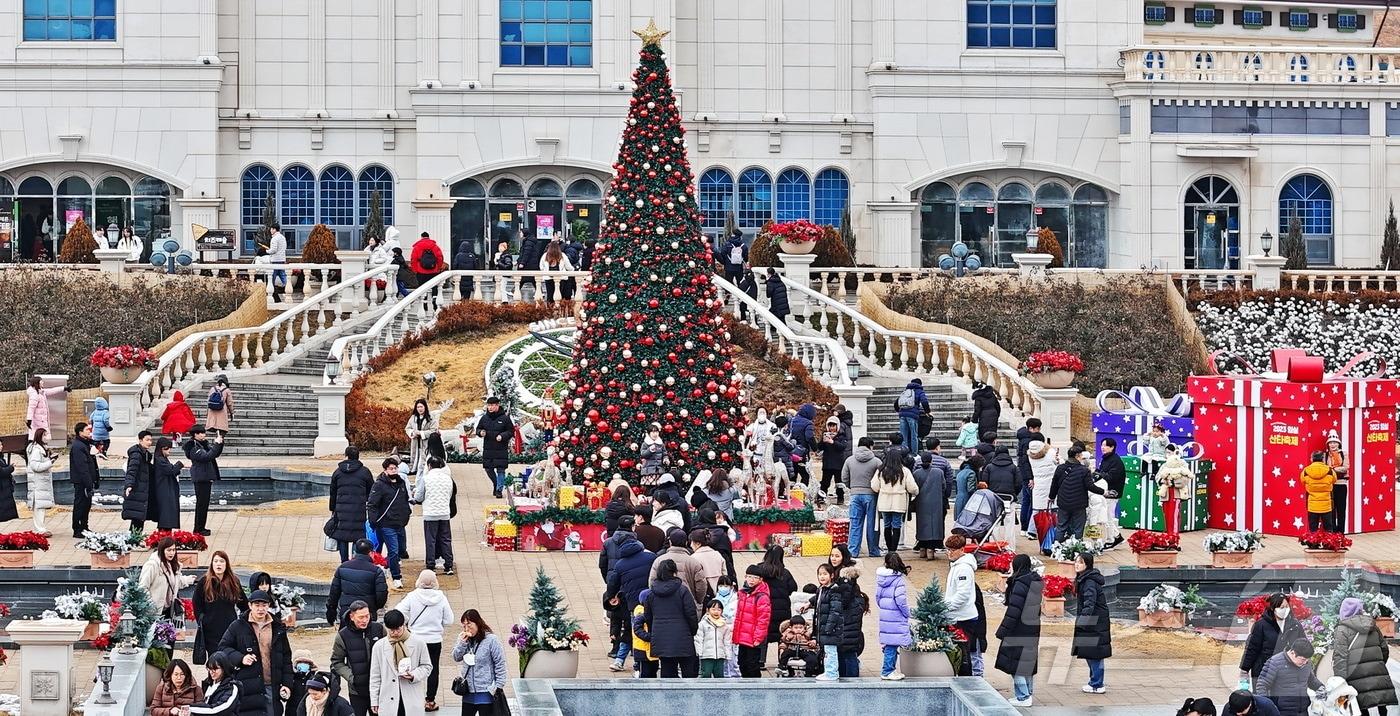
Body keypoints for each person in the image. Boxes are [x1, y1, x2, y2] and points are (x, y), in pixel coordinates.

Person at [218, 589, 293, 716]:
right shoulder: (238, 626)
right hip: (247, 685)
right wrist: (241, 658)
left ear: (268, 606)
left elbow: (286, 657)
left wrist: (287, 683)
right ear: (250, 606)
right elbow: (223, 648)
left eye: (264, 605)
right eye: (257, 605)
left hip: (272, 685)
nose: (260, 609)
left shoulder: (277, 627)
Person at [392, 571, 456, 712]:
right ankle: (430, 701)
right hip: (434, 640)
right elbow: (449, 620)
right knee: (433, 670)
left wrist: (408, 622)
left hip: (415, 640)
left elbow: (398, 611)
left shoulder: (413, 596)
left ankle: (413, 699)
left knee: (414, 670)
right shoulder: (441, 598)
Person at [603, 520, 657, 672]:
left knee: (634, 630)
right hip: (652, 600)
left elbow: (612, 584)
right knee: (651, 628)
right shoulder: (651, 557)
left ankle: (636, 663)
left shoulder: (620, 564)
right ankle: (647, 661)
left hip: (633, 604)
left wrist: (612, 596)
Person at [1330, 597, 1397, 715]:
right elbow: (1384, 649)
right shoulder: (1372, 625)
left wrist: (1340, 678)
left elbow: (1340, 656)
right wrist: (1378, 664)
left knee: (1361, 706)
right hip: (1376, 671)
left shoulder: (1342, 630)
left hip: (1355, 675)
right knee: (1381, 703)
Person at [996, 553, 1044, 706]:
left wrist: (1002, 630)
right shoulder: (1034, 581)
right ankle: (1027, 694)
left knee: (1015, 665)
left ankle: (1023, 696)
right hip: (1032, 628)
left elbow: (1014, 610)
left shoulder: (1019, 583)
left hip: (1018, 630)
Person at [644, 559, 701, 678]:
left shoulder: (651, 594)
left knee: (667, 673)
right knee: (688, 673)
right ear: (674, 572)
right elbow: (691, 613)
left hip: (661, 638)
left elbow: (648, 617)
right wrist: (693, 631)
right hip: (683, 638)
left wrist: (653, 633)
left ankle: (669, 697)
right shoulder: (682, 590)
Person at [330, 602, 386, 716]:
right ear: (352, 616)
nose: (365, 620)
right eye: (361, 617)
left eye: (367, 616)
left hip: (379, 687)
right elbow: (337, 661)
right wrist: (351, 677)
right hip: (356, 690)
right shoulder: (343, 635)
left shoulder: (379, 629)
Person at [194, 551, 248, 664]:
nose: (218, 564)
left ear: (226, 564)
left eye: (222, 561)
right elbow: (197, 604)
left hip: (229, 627)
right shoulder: (204, 582)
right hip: (211, 629)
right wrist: (203, 620)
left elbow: (244, 604)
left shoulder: (234, 581)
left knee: (229, 659)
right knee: (215, 661)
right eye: (216, 561)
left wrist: (243, 621)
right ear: (212, 564)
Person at [1240, 593, 1307, 685]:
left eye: (1286, 606)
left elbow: (1304, 645)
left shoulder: (1295, 625)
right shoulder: (1261, 625)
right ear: (1272, 608)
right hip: (1265, 670)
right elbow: (1252, 648)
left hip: (1289, 670)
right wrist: (1244, 669)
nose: (1284, 610)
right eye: (1281, 607)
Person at [366, 459, 412, 589]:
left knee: (400, 549)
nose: (394, 470)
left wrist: (406, 514)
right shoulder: (379, 485)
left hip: (400, 522)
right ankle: (396, 577)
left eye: (395, 468)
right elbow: (372, 504)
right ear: (385, 470)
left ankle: (385, 567)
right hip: (386, 523)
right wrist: (373, 521)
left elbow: (404, 500)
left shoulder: (401, 483)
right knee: (393, 550)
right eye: (391, 468)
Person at [451, 610, 507, 715]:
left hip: (486, 691)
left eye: (469, 624)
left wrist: (498, 686)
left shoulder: (491, 640)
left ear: (477, 623)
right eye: (464, 626)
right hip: (468, 691)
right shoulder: (464, 639)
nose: (467, 629)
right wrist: (462, 643)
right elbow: (456, 657)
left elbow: (500, 663)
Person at [1072, 552, 1111, 694]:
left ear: (1087, 565)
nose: (1077, 564)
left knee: (1094, 654)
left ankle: (1097, 684)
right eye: (1076, 561)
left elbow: (1090, 603)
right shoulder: (1085, 579)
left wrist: (1083, 621)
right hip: (1094, 621)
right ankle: (1095, 682)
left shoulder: (1089, 582)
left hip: (1095, 622)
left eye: (1080, 562)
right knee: (1091, 653)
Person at [328, 539, 390, 627]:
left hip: (347, 612)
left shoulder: (342, 567)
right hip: (367, 612)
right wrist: (374, 607)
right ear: (371, 553)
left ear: (355, 551)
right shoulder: (376, 571)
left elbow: (334, 593)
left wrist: (331, 611)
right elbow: (382, 595)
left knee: (346, 637)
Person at [329, 448, 375, 563]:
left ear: (346, 456)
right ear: (358, 456)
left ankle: (344, 562)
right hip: (358, 510)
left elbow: (333, 493)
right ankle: (356, 561)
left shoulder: (338, 472)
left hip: (341, 510)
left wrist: (332, 509)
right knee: (357, 536)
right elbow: (371, 491)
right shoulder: (365, 472)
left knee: (342, 537)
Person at [872, 446, 920, 555]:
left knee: (887, 525)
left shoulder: (881, 470)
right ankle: (894, 549)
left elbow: (874, 486)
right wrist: (915, 493)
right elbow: (912, 487)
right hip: (899, 501)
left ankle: (889, 549)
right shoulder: (904, 471)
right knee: (897, 525)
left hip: (884, 500)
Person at [1049, 445, 1103, 542]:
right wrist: (1103, 492)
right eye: (1081, 456)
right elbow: (1090, 486)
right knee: (1078, 528)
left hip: (1063, 503)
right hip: (1079, 504)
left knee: (1061, 526)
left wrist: (1051, 497)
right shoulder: (1084, 470)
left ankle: (1056, 547)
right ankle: (1077, 548)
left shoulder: (1060, 468)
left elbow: (1054, 485)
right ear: (1077, 456)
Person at [413, 456, 457, 575]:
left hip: (430, 513)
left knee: (430, 540)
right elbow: (450, 494)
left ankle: (431, 564)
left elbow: (419, 497)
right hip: (444, 513)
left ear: (429, 466)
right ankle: (448, 565)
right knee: (446, 539)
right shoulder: (448, 479)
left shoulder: (426, 479)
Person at [1257, 638, 1322, 716]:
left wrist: (1321, 688)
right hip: (1282, 710)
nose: (1305, 662)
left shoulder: (1306, 663)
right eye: (1303, 659)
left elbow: (1311, 680)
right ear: (1293, 653)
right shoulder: (1274, 662)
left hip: (1303, 710)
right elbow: (1262, 684)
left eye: (1307, 660)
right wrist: (1267, 706)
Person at [841, 436, 883, 558]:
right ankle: (874, 550)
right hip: (871, 496)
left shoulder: (849, 460)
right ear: (870, 446)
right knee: (872, 524)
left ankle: (853, 551)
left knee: (855, 523)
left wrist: (852, 487)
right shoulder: (876, 461)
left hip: (854, 495)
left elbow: (844, 478)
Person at [757, 545, 799, 665]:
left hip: (764, 609)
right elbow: (793, 588)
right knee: (782, 636)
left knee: (763, 634)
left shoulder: (760, 570)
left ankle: (761, 660)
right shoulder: (785, 573)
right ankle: (782, 660)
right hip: (782, 610)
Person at [650, 529, 708, 614]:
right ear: (686, 542)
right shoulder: (693, 562)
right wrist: (698, 601)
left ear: (670, 542)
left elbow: (652, 583)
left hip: (663, 605)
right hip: (689, 605)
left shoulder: (659, 560)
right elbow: (701, 586)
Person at [875, 553, 912, 680]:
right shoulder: (898, 580)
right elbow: (901, 600)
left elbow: (877, 598)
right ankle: (888, 670)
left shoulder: (881, 579)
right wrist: (907, 613)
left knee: (889, 643)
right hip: (896, 616)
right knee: (892, 644)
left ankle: (890, 669)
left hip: (886, 615)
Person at [733, 565, 772, 678]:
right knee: (741, 663)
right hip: (742, 637)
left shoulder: (762, 596)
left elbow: (763, 620)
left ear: (760, 580)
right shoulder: (742, 593)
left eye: (755, 577)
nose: (751, 580)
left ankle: (756, 689)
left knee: (752, 665)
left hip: (753, 638)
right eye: (749, 577)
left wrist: (758, 638)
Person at [184, 425, 223, 537]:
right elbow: (207, 456)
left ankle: (201, 527)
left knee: (204, 504)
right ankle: (198, 528)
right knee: (201, 504)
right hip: (201, 477)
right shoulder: (194, 447)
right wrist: (216, 444)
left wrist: (220, 443)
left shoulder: (201, 444)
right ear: (195, 434)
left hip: (205, 476)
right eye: (201, 433)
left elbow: (214, 454)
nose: (203, 435)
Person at [142, 536, 193, 618]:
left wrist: (188, 580)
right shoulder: (152, 565)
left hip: (169, 611)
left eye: (173, 550)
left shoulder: (174, 566)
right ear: (162, 550)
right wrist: (150, 604)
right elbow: (143, 587)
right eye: (169, 550)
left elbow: (175, 583)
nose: (172, 553)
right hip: (153, 612)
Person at [911, 450, 948, 559]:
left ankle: (922, 548)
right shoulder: (939, 472)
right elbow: (944, 487)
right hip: (936, 502)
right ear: (931, 460)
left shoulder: (916, 473)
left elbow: (914, 488)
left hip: (921, 503)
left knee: (922, 525)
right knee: (935, 526)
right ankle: (931, 550)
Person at [814, 563, 845, 681]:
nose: (822, 577)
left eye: (825, 574)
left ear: (831, 575)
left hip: (831, 628)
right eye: (820, 574)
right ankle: (828, 671)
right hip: (824, 626)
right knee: (827, 651)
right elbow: (819, 602)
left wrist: (828, 627)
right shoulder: (822, 589)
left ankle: (832, 673)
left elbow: (835, 611)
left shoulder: (834, 590)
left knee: (830, 651)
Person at [476, 397, 513, 499]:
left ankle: (499, 490)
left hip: (501, 449)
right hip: (488, 448)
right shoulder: (484, 418)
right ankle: (496, 484)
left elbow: (510, 431)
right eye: (489, 405)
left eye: (492, 405)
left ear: (497, 405)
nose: (490, 407)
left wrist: (502, 436)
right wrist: (481, 432)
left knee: (501, 470)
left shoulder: (505, 419)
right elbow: (478, 429)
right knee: (488, 469)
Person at [68, 421, 99, 537]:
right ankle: (78, 529)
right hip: (81, 481)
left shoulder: (85, 444)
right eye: (87, 430)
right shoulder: (78, 446)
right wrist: (88, 483)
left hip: (87, 480)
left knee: (86, 505)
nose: (89, 432)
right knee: (80, 504)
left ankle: (84, 526)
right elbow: (82, 467)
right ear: (80, 432)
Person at [1013, 418, 1043, 532]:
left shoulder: (1022, 439)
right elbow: (1026, 461)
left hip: (1023, 473)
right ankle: (1029, 527)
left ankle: (1024, 527)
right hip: (1028, 475)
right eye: (1037, 428)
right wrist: (1030, 477)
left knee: (1026, 500)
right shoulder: (1028, 442)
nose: (1039, 431)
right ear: (1031, 428)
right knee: (1031, 501)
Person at [25, 427, 55, 535]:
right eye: (45, 435)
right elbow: (35, 466)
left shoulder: (43, 448)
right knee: (39, 507)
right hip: (38, 482)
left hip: (42, 481)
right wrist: (50, 463)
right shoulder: (36, 450)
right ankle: (40, 529)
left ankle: (41, 527)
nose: (47, 437)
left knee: (41, 506)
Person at [1097, 438, 1126, 548]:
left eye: (1105, 445)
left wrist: (1099, 474)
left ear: (1112, 447)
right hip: (1106, 491)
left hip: (1112, 492)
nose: (1102, 447)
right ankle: (1115, 536)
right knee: (1107, 515)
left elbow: (1111, 477)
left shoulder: (1115, 461)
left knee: (1108, 516)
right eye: (1102, 445)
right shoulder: (1106, 459)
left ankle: (1112, 538)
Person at [151, 436, 185, 531]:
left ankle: (165, 536)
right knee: (166, 515)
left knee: (167, 515)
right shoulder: (160, 459)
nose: (169, 451)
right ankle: (164, 537)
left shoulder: (162, 458)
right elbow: (170, 470)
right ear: (162, 449)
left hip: (166, 488)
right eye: (168, 449)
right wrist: (180, 464)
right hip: (164, 490)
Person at [287, 651, 337, 716]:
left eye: (305, 662)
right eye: (300, 662)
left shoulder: (315, 678)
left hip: (310, 711)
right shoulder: (290, 677)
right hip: (291, 711)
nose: (303, 664)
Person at [818, 415, 852, 502]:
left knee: (839, 482)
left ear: (837, 426)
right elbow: (820, 447)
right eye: (830, 425)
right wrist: (823, 440)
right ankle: (821, 497)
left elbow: (842, 447)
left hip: (838, 463)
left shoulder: (841, 436)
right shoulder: (825, 435)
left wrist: (832, 442)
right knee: (825, 482)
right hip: (827, 463)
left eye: (833, 425)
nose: (831, 428)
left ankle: (840, 498)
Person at [695, 598, 733, 678]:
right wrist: (699, 652)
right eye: (713, 609)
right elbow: (699, 639)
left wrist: (727, 654)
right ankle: (705, 690)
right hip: (707, 656)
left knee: (719, 676)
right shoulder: (703, 624)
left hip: (720, 656)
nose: (716, 612)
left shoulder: (724, 625)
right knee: (706, 674)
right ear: (708, 610)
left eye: (719, 610)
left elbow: (727, 641)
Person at [1302, 452, 1337, 533]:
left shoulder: (1305, 471)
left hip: (1312, 505)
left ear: (1312, 459)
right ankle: (1328, 543)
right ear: (1323, 459)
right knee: (1328, 528)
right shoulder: (1330, 471)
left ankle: (1314, 544)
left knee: (1313, 528)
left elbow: (1302, 481)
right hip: (1326, 505)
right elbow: (1334, 480)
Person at [893, 378, 929, 455]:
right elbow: (924, 401)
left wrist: (899, 411)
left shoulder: (906, 391)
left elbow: (896, 403)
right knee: (914, 435)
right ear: (920, 384)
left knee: (903, 435)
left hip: (902, 415)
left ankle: (904, 453)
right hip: (912, 416)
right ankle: (914, 453)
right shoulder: (919, 391)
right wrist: (927, 412)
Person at [404, 400, 438, 478]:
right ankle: (413, 470)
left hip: (426, 443)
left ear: (425, 407)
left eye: (421, 407)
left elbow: (433, 431)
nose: (420, 409)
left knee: (424, 459)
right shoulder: (413, 418)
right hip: (416, 442)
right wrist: (412, 433)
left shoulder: (431, 418)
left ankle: (424, 472)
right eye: (418, 407)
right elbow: (407, 428)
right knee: (415, 457)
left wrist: (421, 433)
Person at [1323, 432, 1349, 532]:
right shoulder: (1325, 455)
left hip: (1341, 484)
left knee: (1341, 509)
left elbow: (1345, 468)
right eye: (1330, 443)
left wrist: (1331, 468)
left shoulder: (1343, 454)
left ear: (1338, 444)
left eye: (1335, 443)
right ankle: (1332, 532)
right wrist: (1334, 469)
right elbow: (1324, 469)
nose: (1332, 445)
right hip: (1330, 485)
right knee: (1331, 509)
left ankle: (1341, 532)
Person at [538, 239, 576, 307]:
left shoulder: (545, 255)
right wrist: (573, 269)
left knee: (550, 295)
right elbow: (569, 267)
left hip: (548, 278)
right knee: (559, 295)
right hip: (561, 278)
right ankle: (559, 310)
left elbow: (541, 266)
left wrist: (546, 271)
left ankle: (550, 310)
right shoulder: (562, 255)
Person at [264, 222, 288, 302]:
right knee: (283, 276)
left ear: (274, 229)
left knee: (271, 279)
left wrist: (267, 251)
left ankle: (272, 295)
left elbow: (273, 250)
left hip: (275, 260)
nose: (270, 230)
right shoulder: (282, 237)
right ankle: (288, 288)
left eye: (271, 229)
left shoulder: (274, 238)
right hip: (282, 259)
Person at [954, 455, 983, 520]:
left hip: (959, 499)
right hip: (967, 500)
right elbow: (971, 489)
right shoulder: (971, 473)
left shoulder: (961, 472)